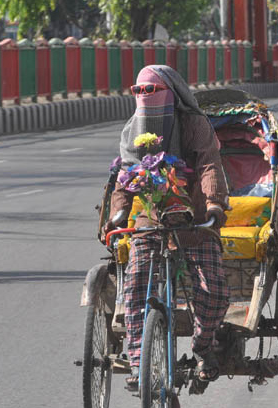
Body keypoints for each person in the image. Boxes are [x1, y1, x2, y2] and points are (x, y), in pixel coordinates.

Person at [104, 65, 230, 390]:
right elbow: (125, 176)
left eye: (153, 90)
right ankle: (138, 364)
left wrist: (214, 205)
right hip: (150, 222)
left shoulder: (194, 125)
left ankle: (204, 348)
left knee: (214, 288)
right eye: (140, 91)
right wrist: (119, 213)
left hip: (194, 221)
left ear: (173, 95)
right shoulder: (132, 129)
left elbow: (209, 165)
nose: (145, 97)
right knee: (132, 289)